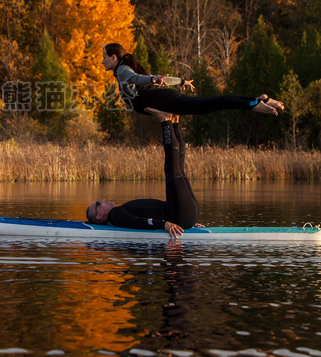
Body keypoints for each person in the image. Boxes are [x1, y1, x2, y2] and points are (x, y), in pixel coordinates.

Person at [86, 108, 203, 238]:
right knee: (174, 167)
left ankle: (174, 121)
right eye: (98, 204)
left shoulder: (118, 215)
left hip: (183, 215)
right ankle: (166, 121)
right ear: (99, 215)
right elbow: (137, 222)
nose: (102, 200)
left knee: (177, 167)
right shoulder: (115, 215)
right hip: (179, 215)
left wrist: (187, 222)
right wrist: (163, 224)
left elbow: (139, 219)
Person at [102, 42, 284, 116]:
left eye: (104, 57)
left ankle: (252, 104)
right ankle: (258, 100)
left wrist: (152, 79)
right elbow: (149, 79)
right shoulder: (125, 68)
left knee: (210, 104)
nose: (102, 61)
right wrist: (181, 81)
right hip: (162, 98)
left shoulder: (122, 71)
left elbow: (137, 78)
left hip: (161, 100)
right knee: (209, 104)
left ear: (114, 58)